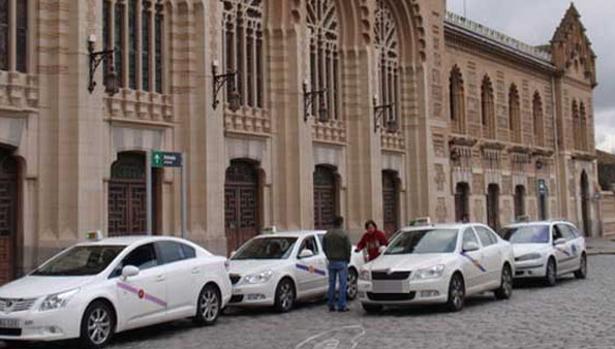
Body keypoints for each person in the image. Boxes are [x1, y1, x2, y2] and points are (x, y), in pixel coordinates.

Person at [322, 216, 351, 312]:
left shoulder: (327, 234)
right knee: (342, 284)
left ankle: (331, 304)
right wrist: (348, 258)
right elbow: (348, 247)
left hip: (331, 261)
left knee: (331, 284)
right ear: (341, 223)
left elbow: (324, 247)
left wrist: (328, 255)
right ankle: (341, 305)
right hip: (342, 261)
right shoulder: (343, 234)